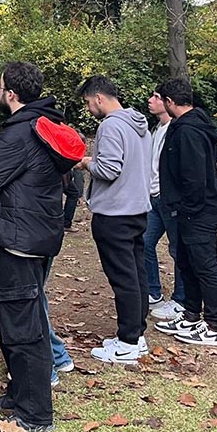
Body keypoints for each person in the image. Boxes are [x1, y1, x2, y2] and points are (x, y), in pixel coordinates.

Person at [0, 62, 82, 432]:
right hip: (34, 233)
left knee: (22, 323)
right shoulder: (46, 125)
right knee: (8, 312)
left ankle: (35, 414)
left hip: (22, 239)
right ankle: (19, 392)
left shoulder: (20, 133)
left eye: (0, 87)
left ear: (12, 94)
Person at [77, 76, 153, 364]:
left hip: (115, 213)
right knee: (136, 273)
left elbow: (109, 169)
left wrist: (85, 162)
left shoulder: (110, 126)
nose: (88, 109)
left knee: (123, 278)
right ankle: (137, 334)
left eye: (87, 102)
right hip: (136, 210)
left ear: (98, 98)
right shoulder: (139, 124)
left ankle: (127, 342)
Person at [152, 78, 217, 346]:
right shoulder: (182, 126)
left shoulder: (190, 131)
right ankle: (192, 315)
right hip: (184, 211)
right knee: (186, 262)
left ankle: (215, 326)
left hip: (198, 211)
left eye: (161, 99)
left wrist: (187, 209)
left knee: (205, 266)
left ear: (170, 102)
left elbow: (195, 177)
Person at [145, 88, 185, 320]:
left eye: (157, 97)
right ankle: (153, 291)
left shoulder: (176, 129)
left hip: (169, 200)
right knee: (143, 242)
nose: (151, 101)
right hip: (152, 199)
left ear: (169, 101)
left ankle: (180, 299)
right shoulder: (155, 130)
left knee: (177, 249)